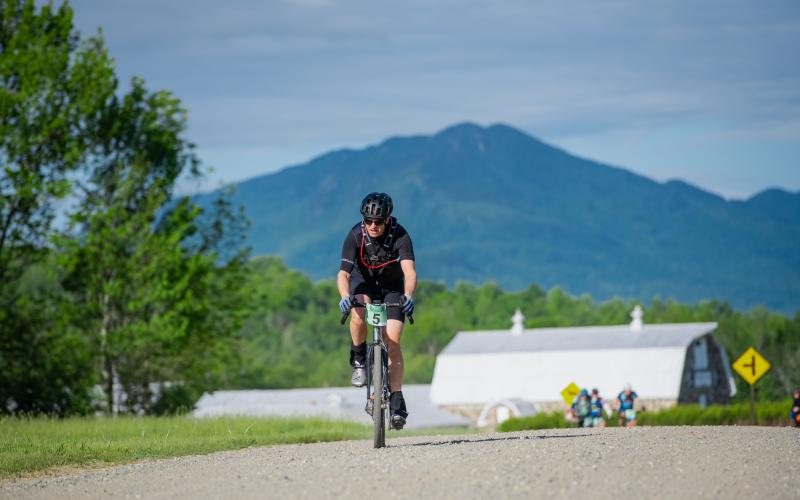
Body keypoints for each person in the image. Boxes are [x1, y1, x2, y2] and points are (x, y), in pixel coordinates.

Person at [337, 192, 417, 430]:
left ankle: (396, 399)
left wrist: (409, 295)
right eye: (368, 221)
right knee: (358, 312)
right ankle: (359, 359)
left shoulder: (400, 235)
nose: (373, 225)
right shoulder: (355, 235)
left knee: (392, 341)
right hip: (363, 284)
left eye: (378, 222)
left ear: (388, 218)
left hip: (392, 287)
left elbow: (410, 271)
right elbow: (343, 274)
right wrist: (344, 297)